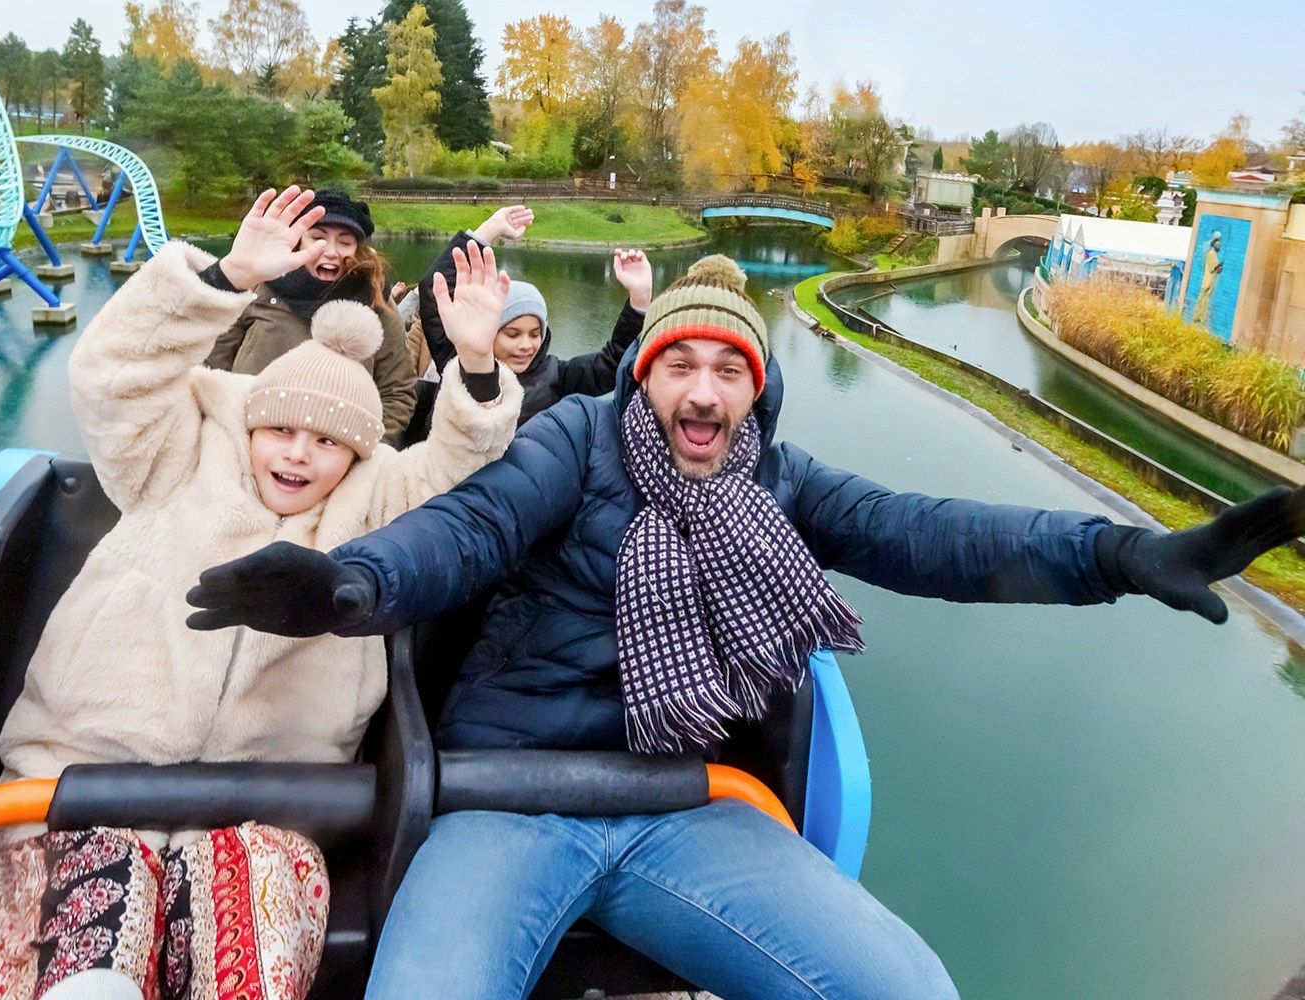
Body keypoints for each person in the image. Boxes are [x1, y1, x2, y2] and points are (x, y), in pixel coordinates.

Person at [183, 254, 1305, 1000]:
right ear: (643, 378)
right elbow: (469, 529)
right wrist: (349, 585)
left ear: (757, 394)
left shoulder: (778, 481)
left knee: (908, 989)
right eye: (681, 364)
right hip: (510, 795)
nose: (705, 389)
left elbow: (929, 535)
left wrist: (1113, 554)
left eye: (731, 368)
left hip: (687, 805)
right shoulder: (574, 439)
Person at [0, 186, 522, 1000]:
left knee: (249, 942)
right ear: (249, 424)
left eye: (328, 442)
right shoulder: (175, 460)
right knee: (94, 945)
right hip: (85, 784)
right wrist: (224, 277)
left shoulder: (373, 502)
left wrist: (476, 364)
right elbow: (114, 376)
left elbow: (458, 470)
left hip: (267, 810)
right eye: (281, 431)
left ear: (358, 455)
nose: (298, 456)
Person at [203, 189, 418, 439]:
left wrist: (364, 455)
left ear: (358, 250)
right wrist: (227, 436)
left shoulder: (377, 302)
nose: (330, 251)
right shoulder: (256, 285)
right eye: (317, 238)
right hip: (244, 440)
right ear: (298, 242)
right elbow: (210, 365)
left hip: (334, 463)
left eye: (345, 242)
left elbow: (398, 391)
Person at [416, 204, 654, 428]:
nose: (526, 345)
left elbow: (613, 364)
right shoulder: (458, 358)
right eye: (512, 334)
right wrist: (490, 229)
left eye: (535, 334)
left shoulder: (556, 376)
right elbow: (433, 288)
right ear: (489, 330)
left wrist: (640, 300)